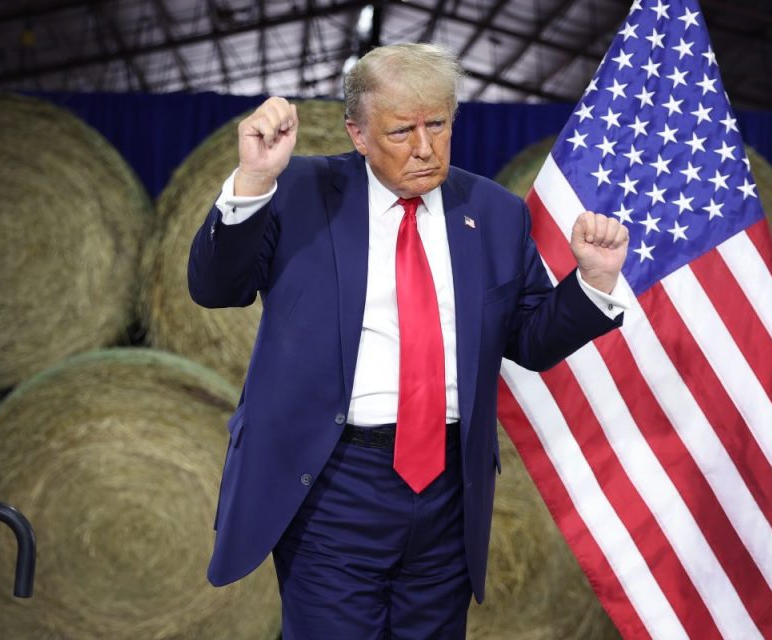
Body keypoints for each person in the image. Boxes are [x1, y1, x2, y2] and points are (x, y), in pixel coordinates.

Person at [188, 43, 629, 639]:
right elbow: (217, 288)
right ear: (358, 134)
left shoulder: (495, 212)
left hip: (450, 492)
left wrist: (592, 282)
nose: (424, 148)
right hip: (331, 483)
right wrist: (252, 180)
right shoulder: (297, 192)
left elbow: (528, 340)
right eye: (401, 131)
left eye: (438, 125)